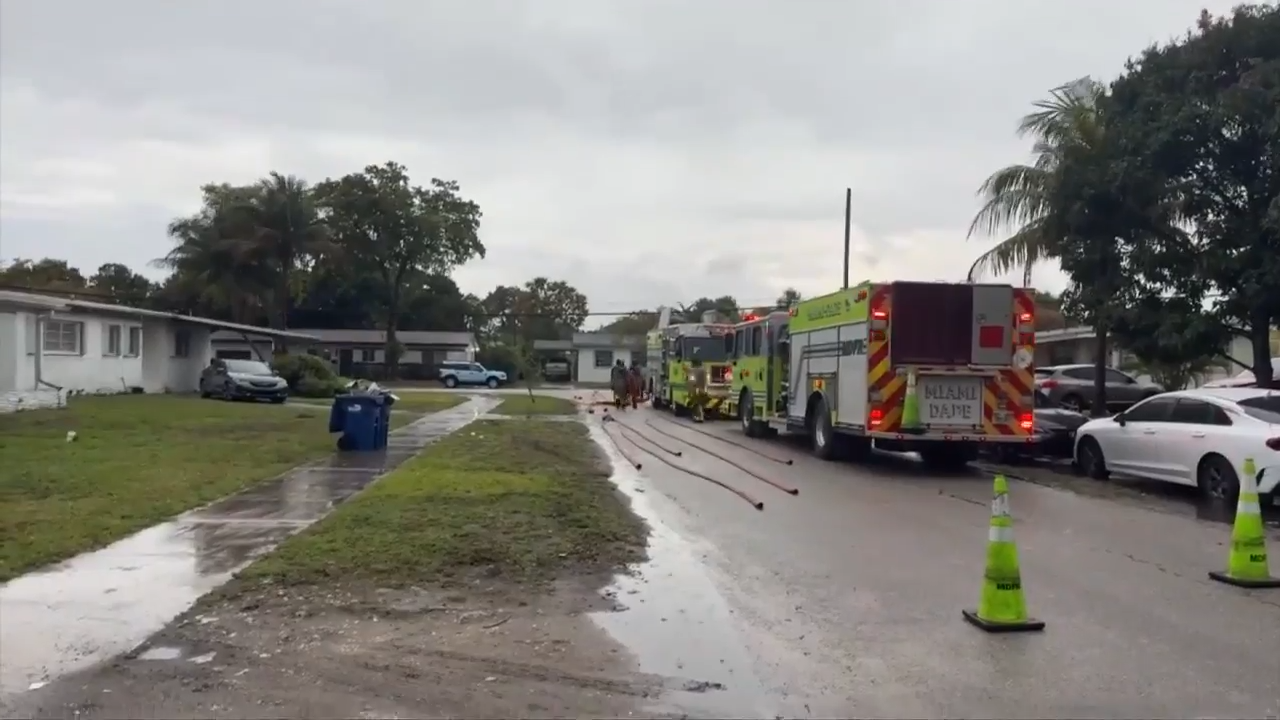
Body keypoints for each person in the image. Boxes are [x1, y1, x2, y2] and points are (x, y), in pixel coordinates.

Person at [686, 356, 709, 422]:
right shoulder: (704, 370)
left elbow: (692, 381)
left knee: (697, 403)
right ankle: (700, 416)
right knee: (700, 403)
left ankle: (700, 417)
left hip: (697, 390)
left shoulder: (694, 371)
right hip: (704, 389)